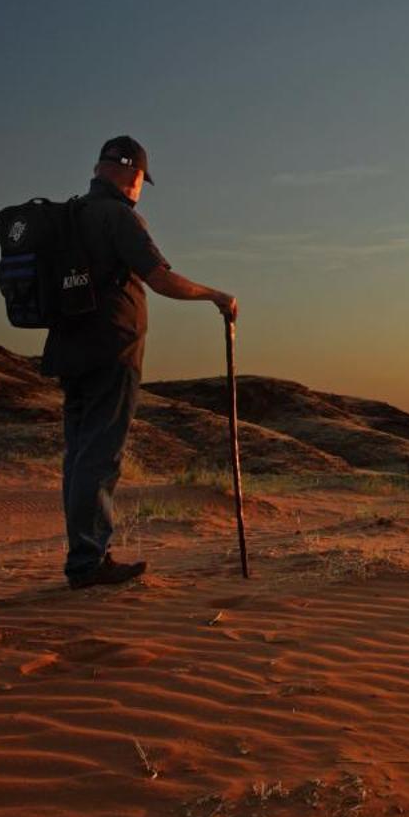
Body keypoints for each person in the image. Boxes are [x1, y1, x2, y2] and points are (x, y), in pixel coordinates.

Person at [43, 135, 237, 589]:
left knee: (79, 456)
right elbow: (160, 278)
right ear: (133, 176)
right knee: (99, 456)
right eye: (141, 181)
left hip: (68, 350)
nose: (140, 189)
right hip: (112, 352)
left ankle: (84, 556)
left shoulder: (69, 216)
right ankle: (89, 562)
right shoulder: (117, 217)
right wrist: (214, 295)